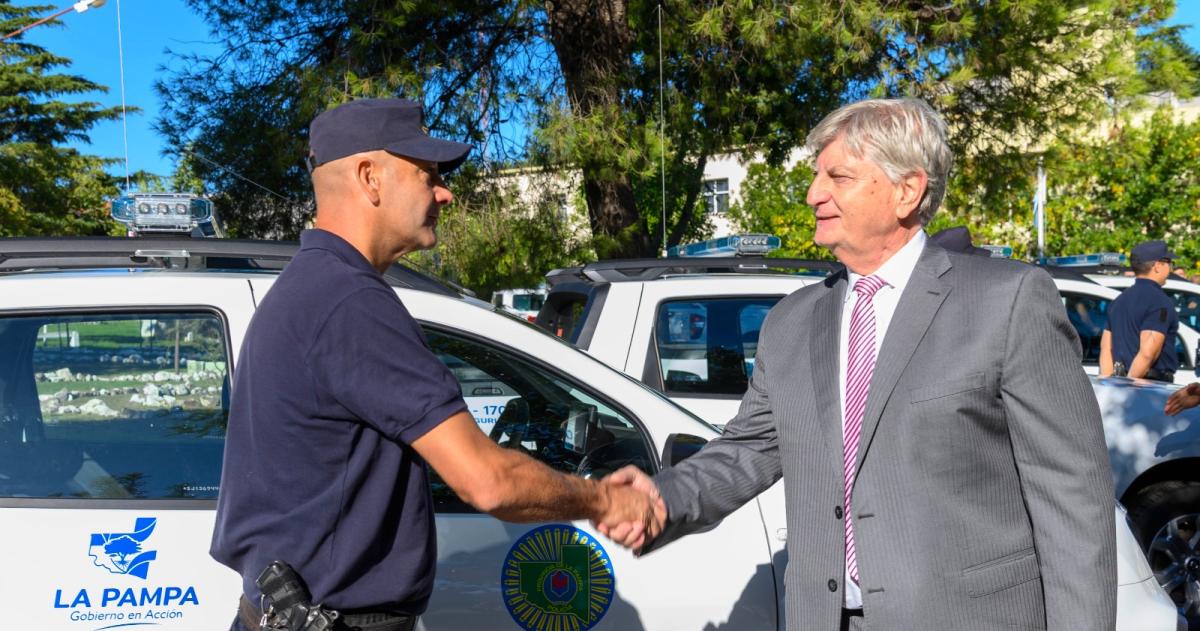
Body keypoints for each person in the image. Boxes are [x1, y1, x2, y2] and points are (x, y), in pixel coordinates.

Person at [601, 98, 1116, 630]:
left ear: (907, 191)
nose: (813, 194)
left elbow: (1072, 498)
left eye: (838, 177)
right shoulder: (791, 321)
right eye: (817, 176)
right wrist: (662, 498)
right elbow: (750, 448)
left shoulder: (1007, 302)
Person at [210, 98, 660, 631]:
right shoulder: (349, 303)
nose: (444, 192)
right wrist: (603, 498)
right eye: (427, 174)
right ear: (370, 177)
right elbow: (487, 481)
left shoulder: (307, 289)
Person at [1099, 240, 1180, 382]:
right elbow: (1148, 353)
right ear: (1157, 266)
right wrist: (1129, 387)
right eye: (1168, 262)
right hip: (1148, 387)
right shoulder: (1159, 302)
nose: (1170, 268)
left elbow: (1106, 348)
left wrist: (1109, 384)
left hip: (1119, 384)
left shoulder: (1119, 301)